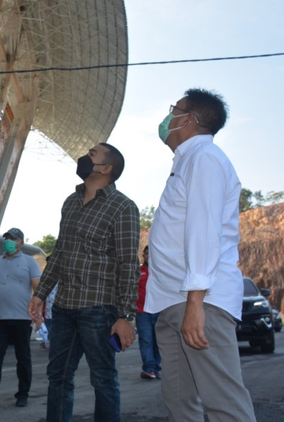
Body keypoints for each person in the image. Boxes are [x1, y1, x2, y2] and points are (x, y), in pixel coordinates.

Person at [145, 88, 256, 422]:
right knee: (181, 404)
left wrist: (196, 302)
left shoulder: (205, 158)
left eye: (174, 110)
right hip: (172, 302)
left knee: (224, 403)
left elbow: (203, 229)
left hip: (199, 301)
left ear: (189, 119)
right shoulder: (186, 162)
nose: (167, 118)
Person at [28, 143, 140, 422]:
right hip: (65, 306)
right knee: (58, 376)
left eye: (91, 154)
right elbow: (60, 253)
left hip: (99, 308)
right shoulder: (70, 201)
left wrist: (126, 315)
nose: (83, 157)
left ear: (106, 168)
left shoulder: (123, 207)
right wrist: (40, 294)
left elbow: (128, 265)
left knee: (102, 378)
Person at [0, 228, 41, 409]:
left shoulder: (30, 262)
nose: (8, 242)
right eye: (6, 238)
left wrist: (38, 315)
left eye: (13, 239)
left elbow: (38, 288)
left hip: (22, 318)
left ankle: (23, 394)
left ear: (21, 242)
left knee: (23, 358)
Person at [136, 245, 161, 379]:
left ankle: (157, 368)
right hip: (142, 312)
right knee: (146, 340)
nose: (148, 257)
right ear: (143, 256)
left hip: (159, 311)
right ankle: (149, 369)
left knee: (158, 341)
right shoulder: (138, 272)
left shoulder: (161, 272)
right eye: (146, 254)